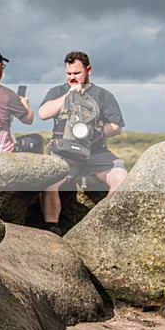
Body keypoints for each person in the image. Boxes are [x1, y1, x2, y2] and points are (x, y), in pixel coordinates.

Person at [38, 51, 127, 234]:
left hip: (96, 152)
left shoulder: (103, 95)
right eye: (69, 74)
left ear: (88, 70)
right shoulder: (58, 91)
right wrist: (69, 95)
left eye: (77, 73)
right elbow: (43, 113)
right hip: (65, 153)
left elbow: (117, 126)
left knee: (122, 178)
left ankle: (103, 223)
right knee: (49, 180)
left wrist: (97, 132)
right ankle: (52, 229)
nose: (72, 77)